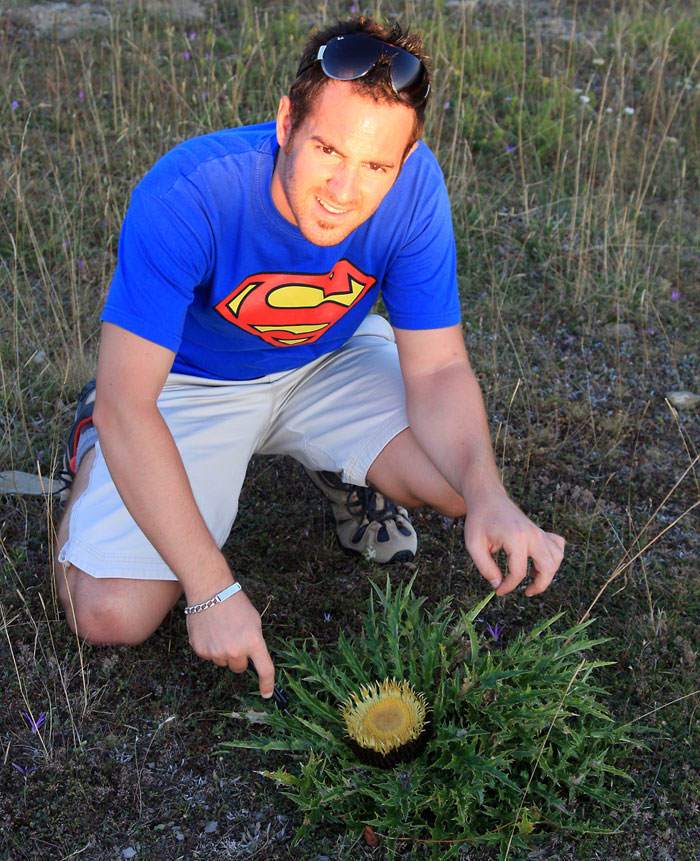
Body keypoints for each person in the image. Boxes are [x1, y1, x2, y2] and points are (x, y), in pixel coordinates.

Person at [54, 17, 565, 699]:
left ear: (406, 159)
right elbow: (131, 403)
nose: (344, 190)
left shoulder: (416, 189)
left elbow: (439, 368)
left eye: (377, 165)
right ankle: (91, 458)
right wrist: (211, 590)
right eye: (327, 149)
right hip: (190, 382)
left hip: (329, 360)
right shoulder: (192, 192)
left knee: (461, 488)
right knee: (109, 613)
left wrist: (491, 494)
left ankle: (344, 469)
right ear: (287, 121)